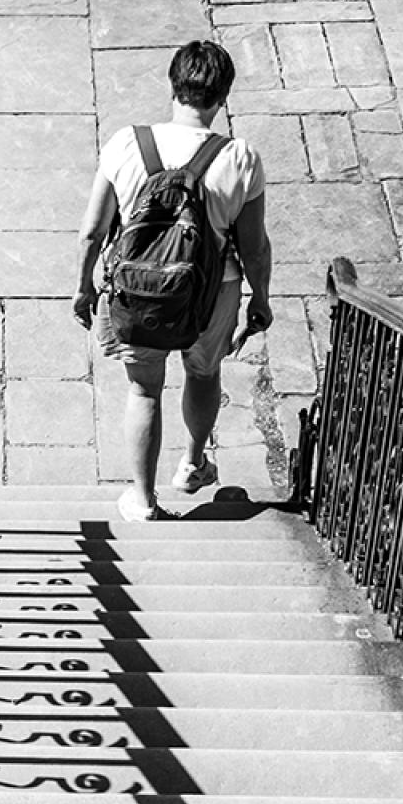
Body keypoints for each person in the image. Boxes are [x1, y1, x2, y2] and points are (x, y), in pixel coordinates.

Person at [73, 40, 273, 522]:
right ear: (223, 95)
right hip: (213, 291)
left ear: (173, 86)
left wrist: (84, 288)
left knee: (143, 389)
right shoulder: (239, 157)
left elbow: (92, 230)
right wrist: (260, 300)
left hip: (137, 292)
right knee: (203, 373)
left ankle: (142, 500)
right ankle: (192, 463)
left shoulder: (126, 143)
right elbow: (254, 247)